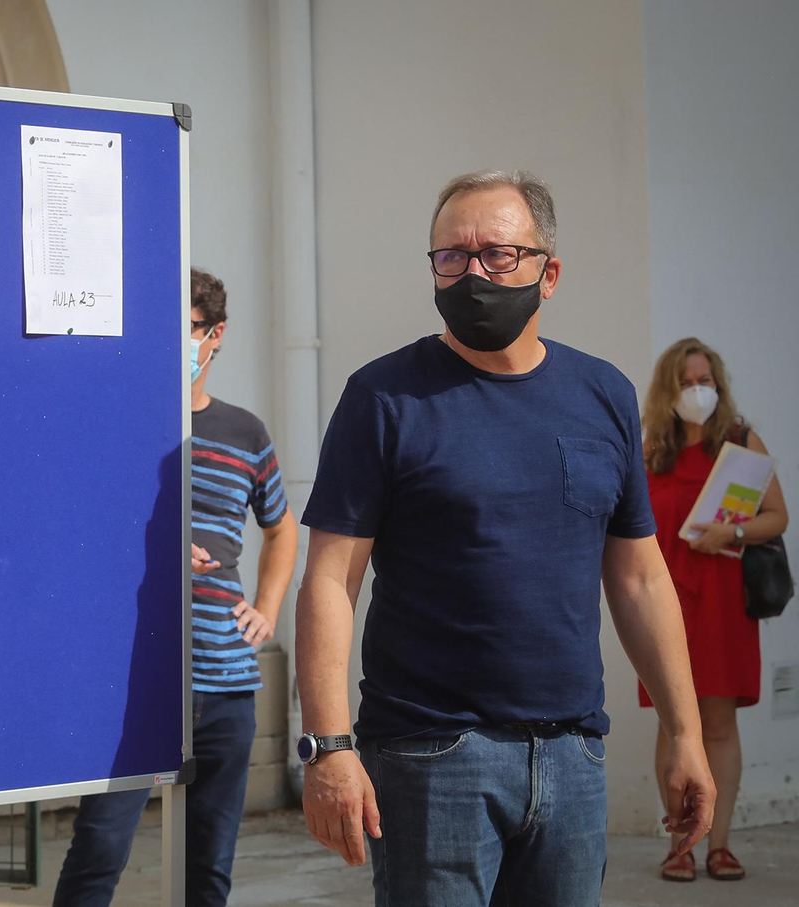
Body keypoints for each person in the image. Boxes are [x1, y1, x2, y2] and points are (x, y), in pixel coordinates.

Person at [294, 169, 715, 906]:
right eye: (451, 256)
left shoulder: (604, 394)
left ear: (548, 274)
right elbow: (331, 579)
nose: (472, 273)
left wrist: (685, 731)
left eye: (498, 254)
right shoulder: (383, 397)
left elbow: (641, 579)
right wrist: (329, 748)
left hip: (574, 755)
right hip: (433, 757)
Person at [52, 268, 299, 906]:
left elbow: (283, 530)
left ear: (213, 335)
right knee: (99, 849)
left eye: (183, 328)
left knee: (207, 867)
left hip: (225, 683)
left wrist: (267, 609)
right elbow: (79, 529)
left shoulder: (246, 434)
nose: (171, 343)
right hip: (138, 684)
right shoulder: (126, 427)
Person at [640, 338, 788, 883]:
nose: (698, 392)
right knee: (674, 720)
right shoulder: (652, 446)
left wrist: (735, 530)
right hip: (666, 601)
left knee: (719, 723)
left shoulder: (740, 442)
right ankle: (679, 845)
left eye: (706, 381)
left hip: (724, 597)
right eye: (686, 382)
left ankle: (719, 846)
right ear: (668, 390)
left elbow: (778, 517)